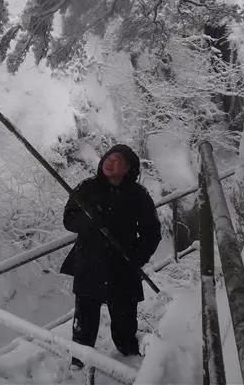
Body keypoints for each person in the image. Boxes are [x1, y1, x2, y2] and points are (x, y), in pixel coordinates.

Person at [60, 144, 162, 369]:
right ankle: (79, 360)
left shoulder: (138, 195)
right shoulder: (87, 188)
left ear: (127, 169)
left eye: (118, 160)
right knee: (85, 317)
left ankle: (128, 353)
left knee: (125, 317)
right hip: (89, 263)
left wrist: (136, 257)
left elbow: (152, 232)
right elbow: (69, 219)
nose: (110, 161)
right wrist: (89, 220)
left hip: (123, 266)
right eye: (109, 156)